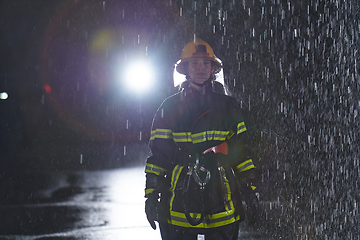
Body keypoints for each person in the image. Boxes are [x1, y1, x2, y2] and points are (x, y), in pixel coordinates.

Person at [144, 38, 259, 240]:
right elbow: (159, 156)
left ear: (213, 69)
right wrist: (151, 194)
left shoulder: (228, 106)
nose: (201, 68)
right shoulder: (169, 108)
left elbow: (241, 151)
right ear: (185, 69)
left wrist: (250, 189)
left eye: (206, 64)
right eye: (195, 63)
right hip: (180, 192)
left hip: (221, 191)